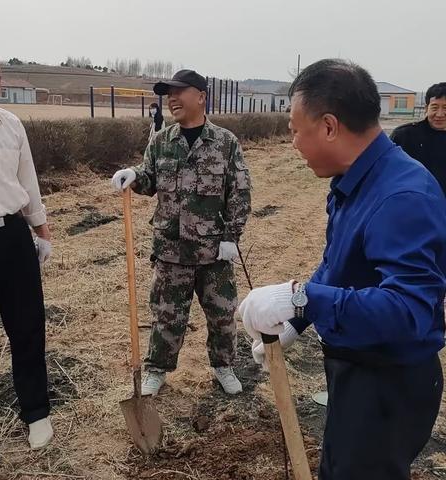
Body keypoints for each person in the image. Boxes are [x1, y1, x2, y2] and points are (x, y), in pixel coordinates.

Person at [238, 59, 445, 480]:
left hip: (387, 383)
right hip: (358, 370)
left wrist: (301, 295)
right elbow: (339, 264)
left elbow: (409, 311)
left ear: (329, 126)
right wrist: (300, 317)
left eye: (296, 130)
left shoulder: (401, 196)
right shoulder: (357, 180)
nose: (293, 142)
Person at [112, 69, 251, 396]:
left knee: (222, 315)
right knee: (167, 316)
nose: (172, 99)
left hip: (213, 252)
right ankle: (157, 370)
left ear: (201, 96)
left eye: (180, 92)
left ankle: (223, 366)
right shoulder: (161, 141)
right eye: (168, 93)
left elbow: (240, 193)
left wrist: (231, 237)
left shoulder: (225, 143)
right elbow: (149, 179)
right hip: (171, 251)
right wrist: (133, 175)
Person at [0, 45, 53, 450]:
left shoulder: (11, 125)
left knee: (28, 326)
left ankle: (36, 412)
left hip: (14, 239)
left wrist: (41, 231)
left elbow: (28, 180)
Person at [390, 82, 446, 194]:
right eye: (434, 107)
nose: (439, 114)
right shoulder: (404, 135)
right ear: (426, 108)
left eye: (445, 108)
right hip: (412, 203)